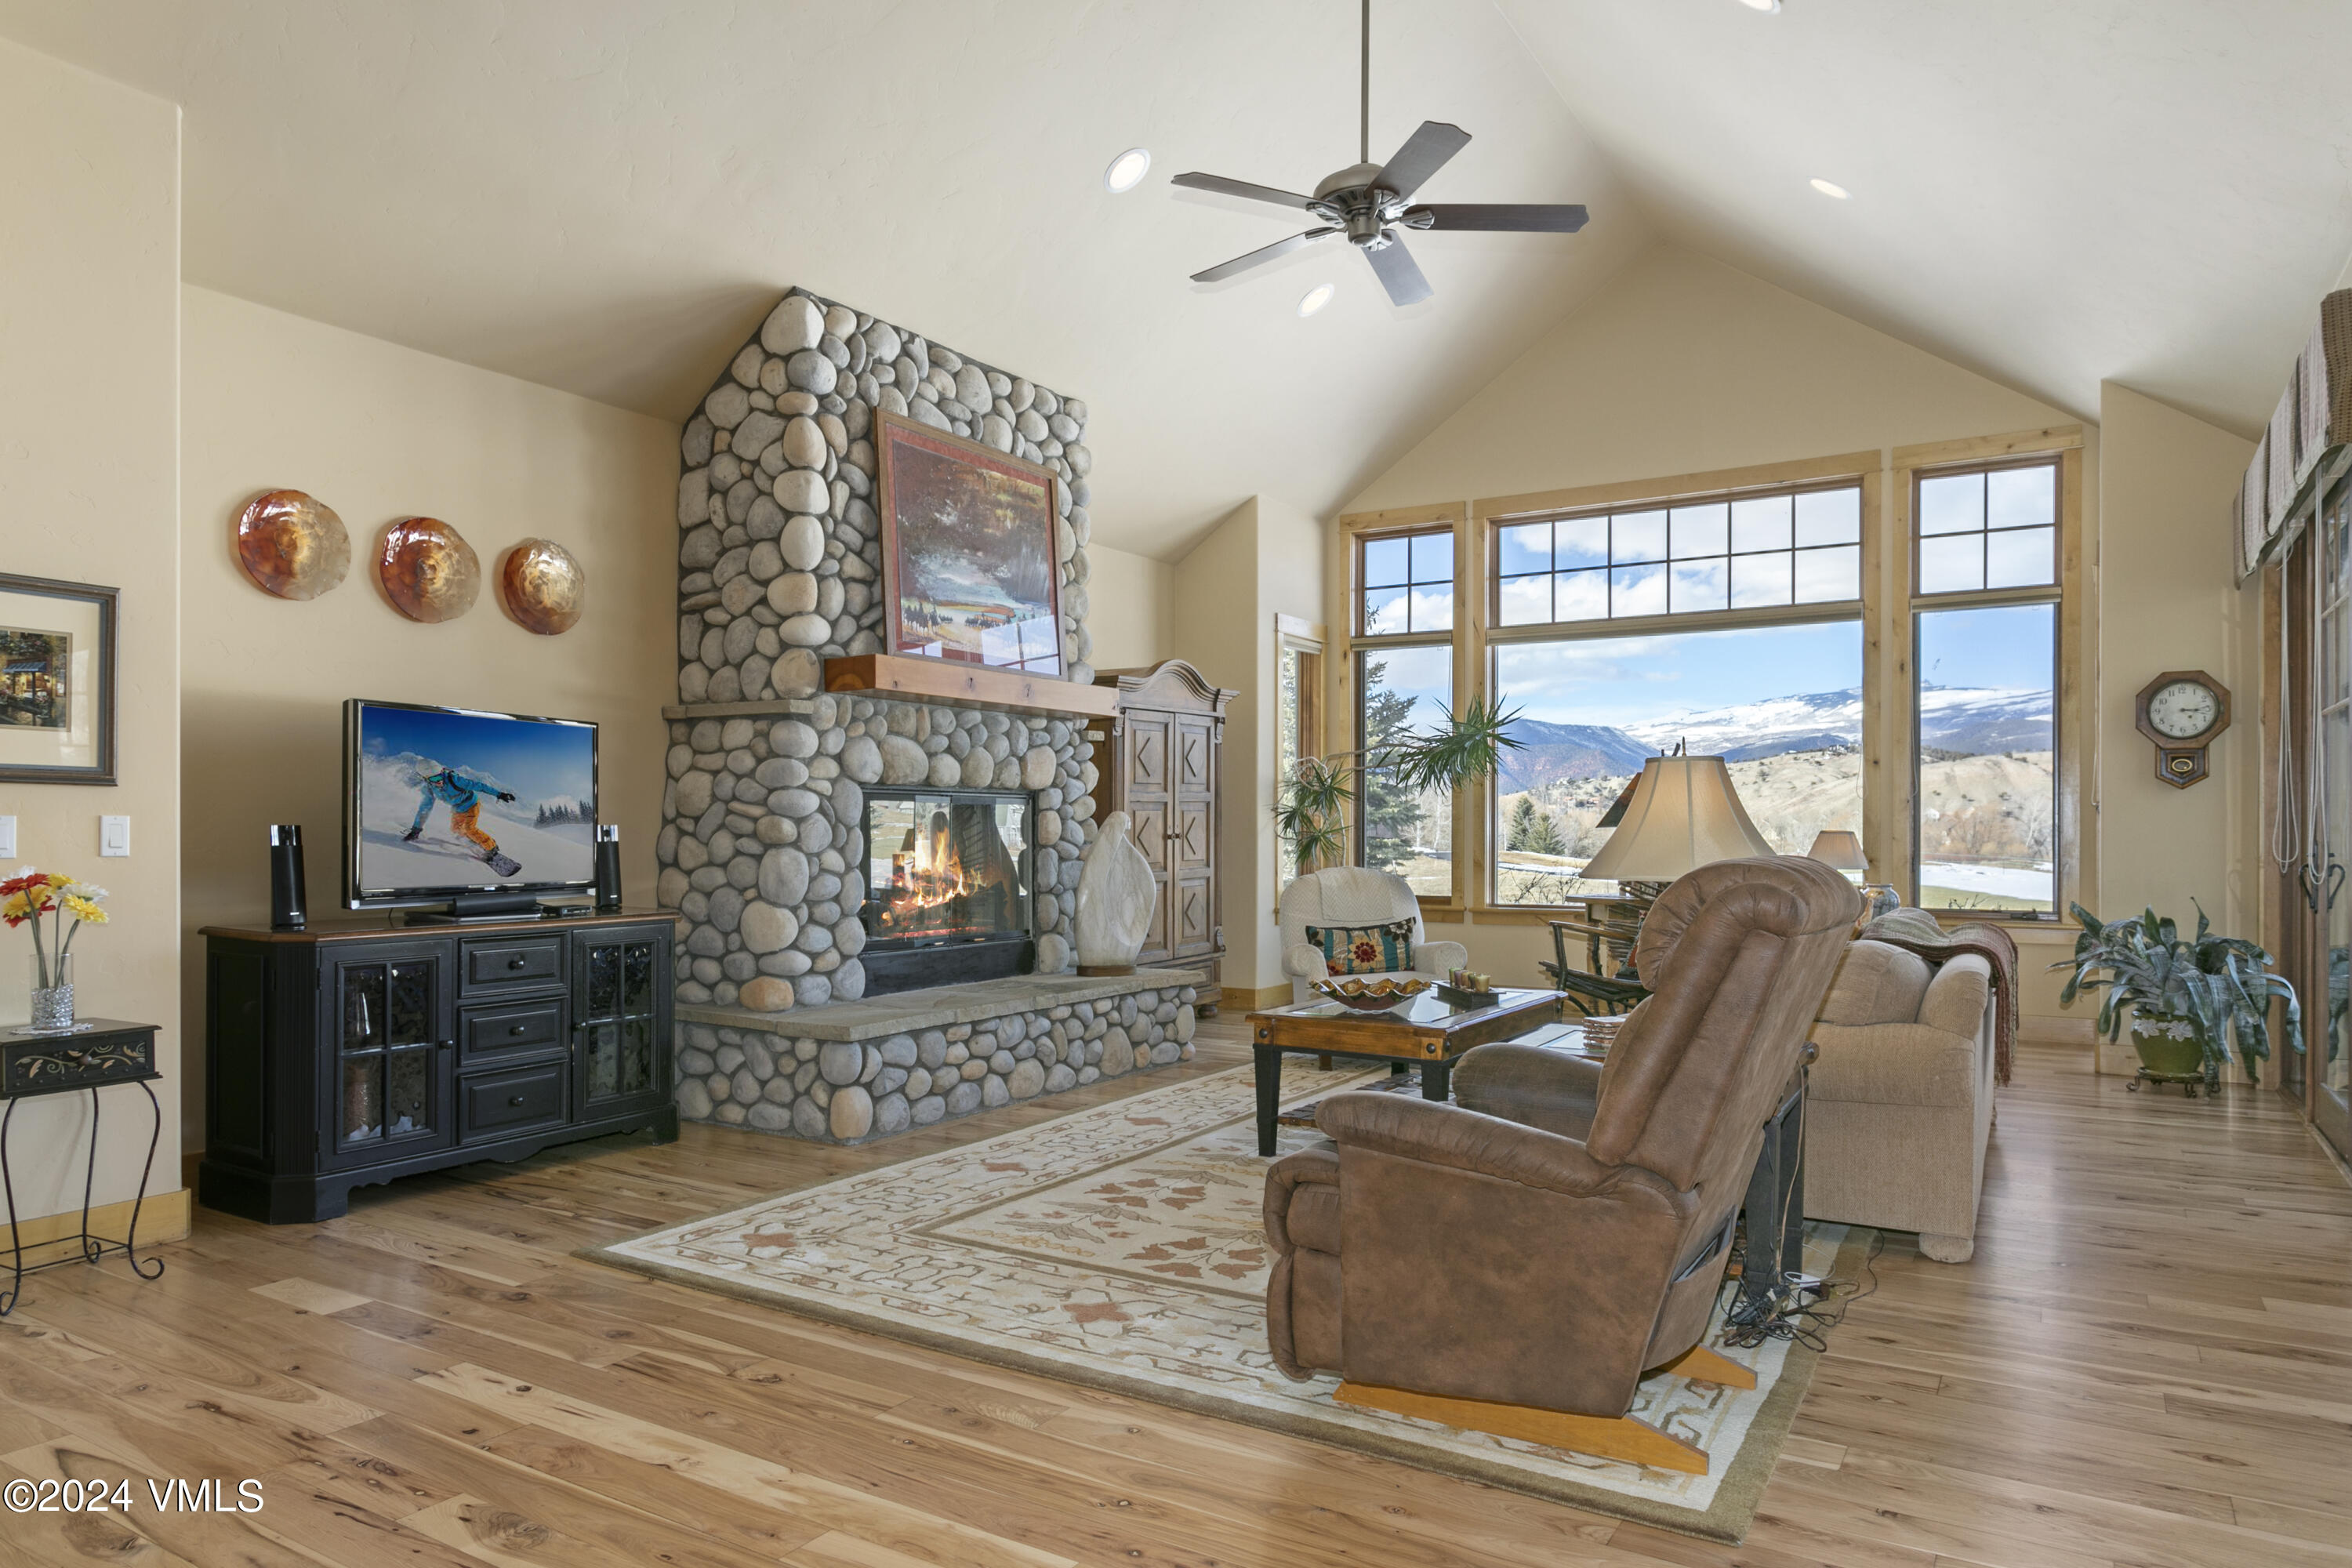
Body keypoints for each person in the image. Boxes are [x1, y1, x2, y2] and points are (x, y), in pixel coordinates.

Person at [404, 766, 516, 863]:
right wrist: (416, 829)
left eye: (440, 776)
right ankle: (473, 840)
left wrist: (499, 794)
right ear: (427, 779)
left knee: (469, 828)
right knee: (456, 830)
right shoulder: (430, 789)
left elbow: (479, 786)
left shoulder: (454, 780)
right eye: (434, 778)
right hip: (457, 809)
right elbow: (425, 808)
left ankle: (491, 848)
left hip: (471, 804)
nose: (439, 781)